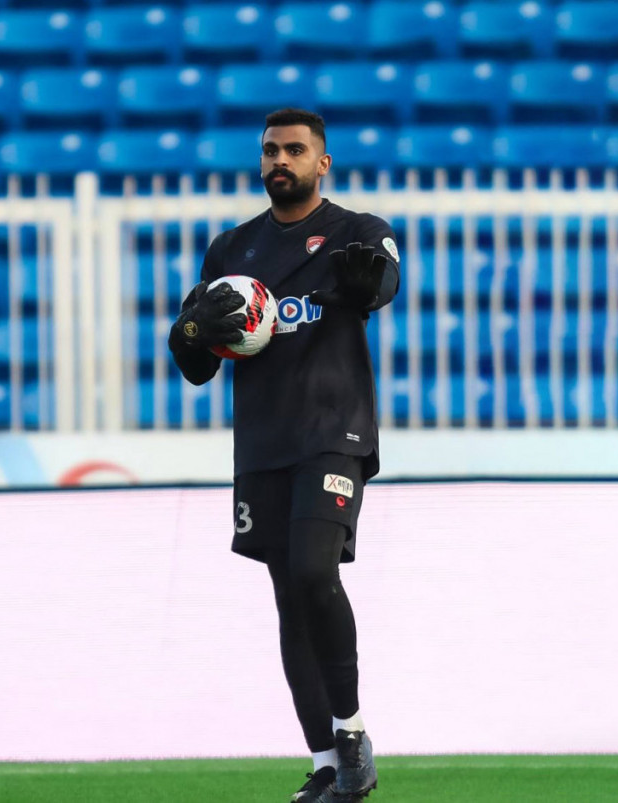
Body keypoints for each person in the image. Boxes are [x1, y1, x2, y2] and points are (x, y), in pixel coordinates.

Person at [168, 108, 399, 803]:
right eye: (271, 150)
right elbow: (197, 366)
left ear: (322, 163)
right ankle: (327, 764)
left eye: (295, 150)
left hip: (334, 430)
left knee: (312, 569)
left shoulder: (359, 230)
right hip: (263, 443)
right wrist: (189, 332)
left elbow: (384, 283)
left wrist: (367, 286)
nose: (280, 160)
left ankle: (352, 734)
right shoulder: (230, 250)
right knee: (290, 599)